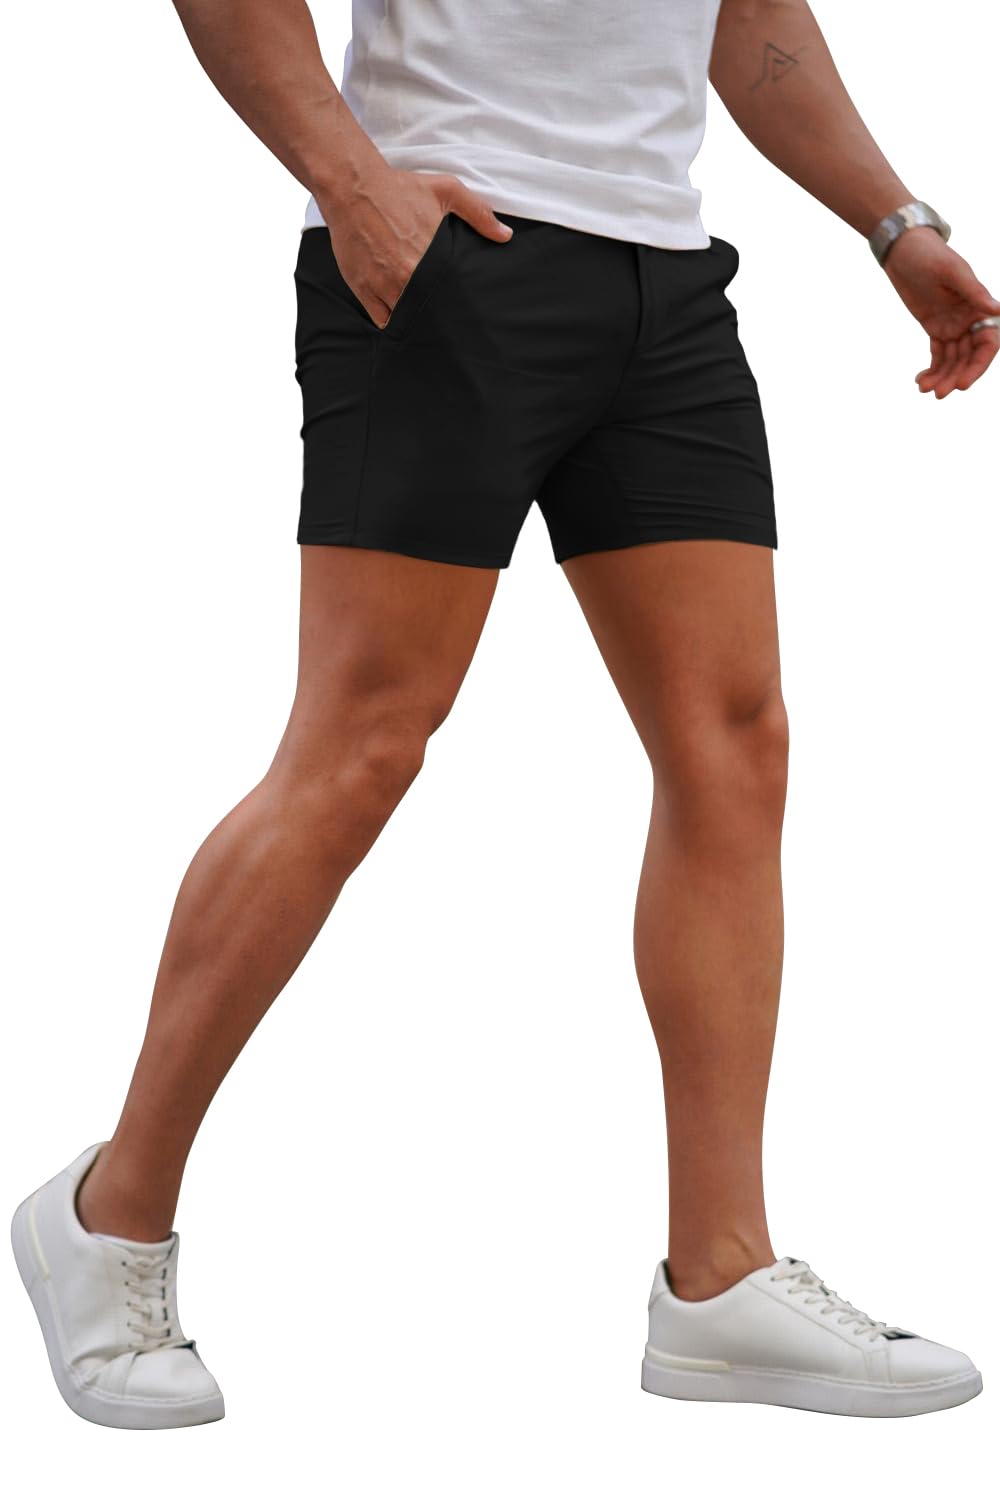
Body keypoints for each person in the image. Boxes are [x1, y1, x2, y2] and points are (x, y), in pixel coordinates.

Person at [12, 0, 997, 1429]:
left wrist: (893, 224)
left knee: (735, 744)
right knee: (362, 742)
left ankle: (720, 1277)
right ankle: (108, 1215)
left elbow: (748, 15)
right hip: (447, 253)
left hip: (664, 279)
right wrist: (351, 180)